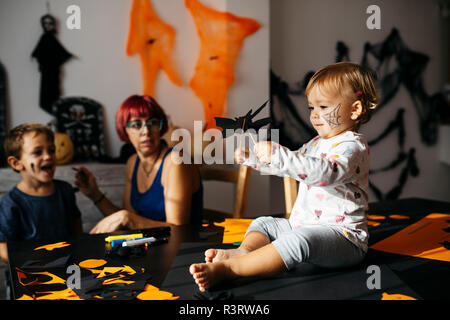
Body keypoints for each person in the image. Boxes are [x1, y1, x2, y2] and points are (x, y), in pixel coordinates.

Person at [190, 62, 378, 292]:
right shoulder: (316, 143)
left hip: (344, 239)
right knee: (264, 223)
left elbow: (326, 172)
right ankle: (244, 252)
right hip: (304, 226)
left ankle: (233, 270)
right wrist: (255, 160)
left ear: (355, 109)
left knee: (298, 242)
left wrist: (279, 154)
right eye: (311, 108)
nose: (315, 115)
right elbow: (293, 166)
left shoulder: (353, 146)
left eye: (323, 106)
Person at [75, 95, 203, 233]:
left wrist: (127, 218)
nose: (146, 131)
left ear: (160, 127)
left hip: (185, 249)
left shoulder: (175, 161)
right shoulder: (132, 162)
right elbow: (128, 221)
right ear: (125, 130)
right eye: (136, 125)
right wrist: (94, 194)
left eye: (152, 123)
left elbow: (178, 231)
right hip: (150, 247)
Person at [0, 123, 83, 295]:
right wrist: (31, 264)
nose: (48, 156)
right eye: (38, 152)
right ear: (16, 163)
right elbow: (2, 247)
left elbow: (76, 225)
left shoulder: (65, 191)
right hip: (29, 280)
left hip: (67, 273)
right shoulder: (11, 203)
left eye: (51, 150)